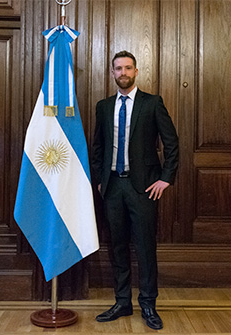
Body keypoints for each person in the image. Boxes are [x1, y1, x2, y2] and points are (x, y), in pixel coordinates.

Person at [91, 50, 179, 330]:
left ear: (136, 72)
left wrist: (166, 178)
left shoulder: (152, 103)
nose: (123, 73)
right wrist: (100, 179)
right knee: (117, 246)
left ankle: (149, 305)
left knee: (144, 247)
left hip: (143, 188)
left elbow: (172, 143)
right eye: (118, 69)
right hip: (113, 187)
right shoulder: (103, 106)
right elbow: (98, 148)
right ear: (112, 73)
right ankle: (122, 301)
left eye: (128, 68)